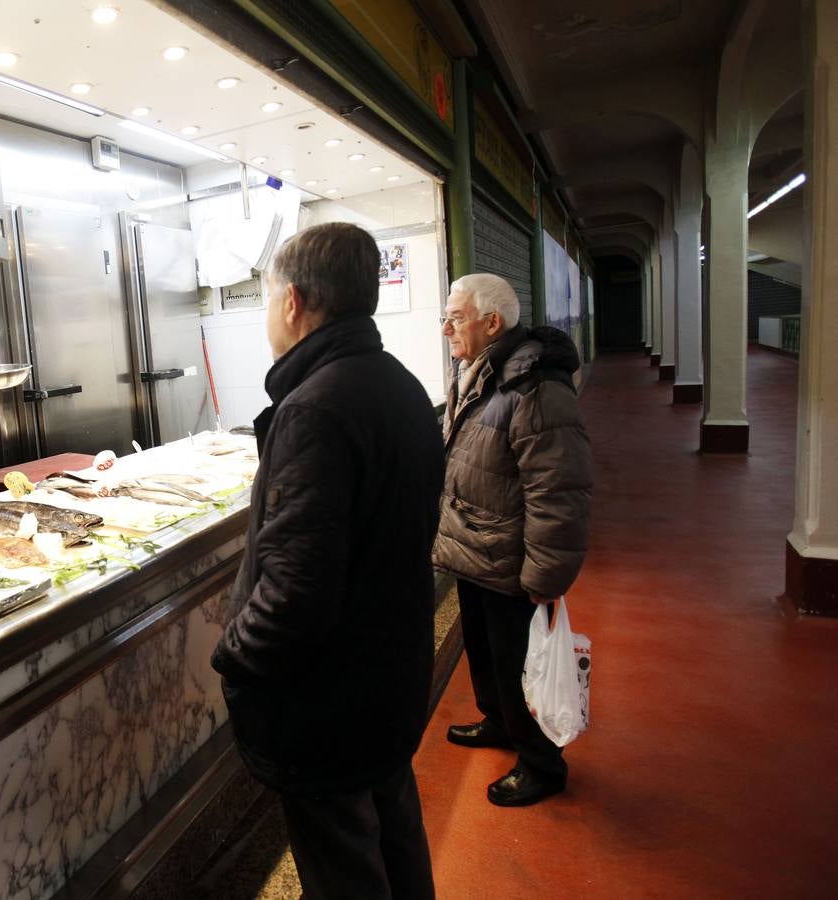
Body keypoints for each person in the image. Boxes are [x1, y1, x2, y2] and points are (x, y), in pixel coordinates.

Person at [211, 222, 444, 899]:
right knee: (395, 836)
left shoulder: (314, 408)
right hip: (389, 675)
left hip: (329, 701)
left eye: (267, 303)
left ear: (292, 303)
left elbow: (296, 590)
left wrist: (234, 658)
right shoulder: (398, 385)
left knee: (343, 867)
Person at [431, 273, 593, 807]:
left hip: (512, 560)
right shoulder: (477, 371)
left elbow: (558, 487)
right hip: (476, 551)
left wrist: (545, 576)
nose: (446, 327)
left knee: (520, 664)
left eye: (455, 317)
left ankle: (542, 762)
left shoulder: (535, 384)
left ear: (492, 322)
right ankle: (499, 722)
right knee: (486, 654)